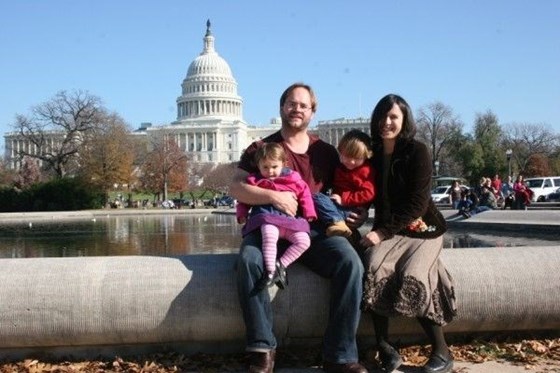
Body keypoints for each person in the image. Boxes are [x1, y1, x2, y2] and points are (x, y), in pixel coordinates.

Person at [230, 83, 368, 373]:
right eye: (291, 104)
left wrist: (359, 211)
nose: (297, 109)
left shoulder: (327, 152)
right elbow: (236, 186)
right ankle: (262, 349)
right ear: (281, 108)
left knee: (350, 262)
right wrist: (272, 196)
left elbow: (353, 187)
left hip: (313, 231)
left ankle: (340, 355)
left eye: (303, 105)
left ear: (312, 112)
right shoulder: (261, 148)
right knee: (249, 260)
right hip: (267, 224)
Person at [359, 94, 457, 373]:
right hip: (390, 230)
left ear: (404, 121)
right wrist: (359, 211)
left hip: (421, 228)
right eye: (382, 116)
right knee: (373, 267)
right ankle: (385, 347)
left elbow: (417, 204)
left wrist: (380, 233)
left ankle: (441, 351)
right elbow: (367, 190)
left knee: (415, 274)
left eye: (393, 117)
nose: (386, 122)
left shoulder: (418, 151)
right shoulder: (373, 153)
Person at [236, 142, 317, 291]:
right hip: (267, 218)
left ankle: (281, 264)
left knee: (304, 241)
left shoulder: (294, 179)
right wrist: (242, 214)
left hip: (290, 221)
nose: (270, 171)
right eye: (265, 167)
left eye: (274, 167)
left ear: (283, 164)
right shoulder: (255, 181)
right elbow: (244, 200)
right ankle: (270, 271)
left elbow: (305, 195)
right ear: (258, 166)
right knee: (269, 235)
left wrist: (309, 212)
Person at [313, 129, 376, 237]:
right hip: (339, 207)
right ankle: (338, 224)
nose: (351, 162)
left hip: (352, 210)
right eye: (347, 156)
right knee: (316, 197)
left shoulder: (365, 171)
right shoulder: (340, 168)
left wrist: (343, 199)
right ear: (340, 152)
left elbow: (369, 193)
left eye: (357, 158)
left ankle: (337, 223)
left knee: (317, 198)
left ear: (366, 156)